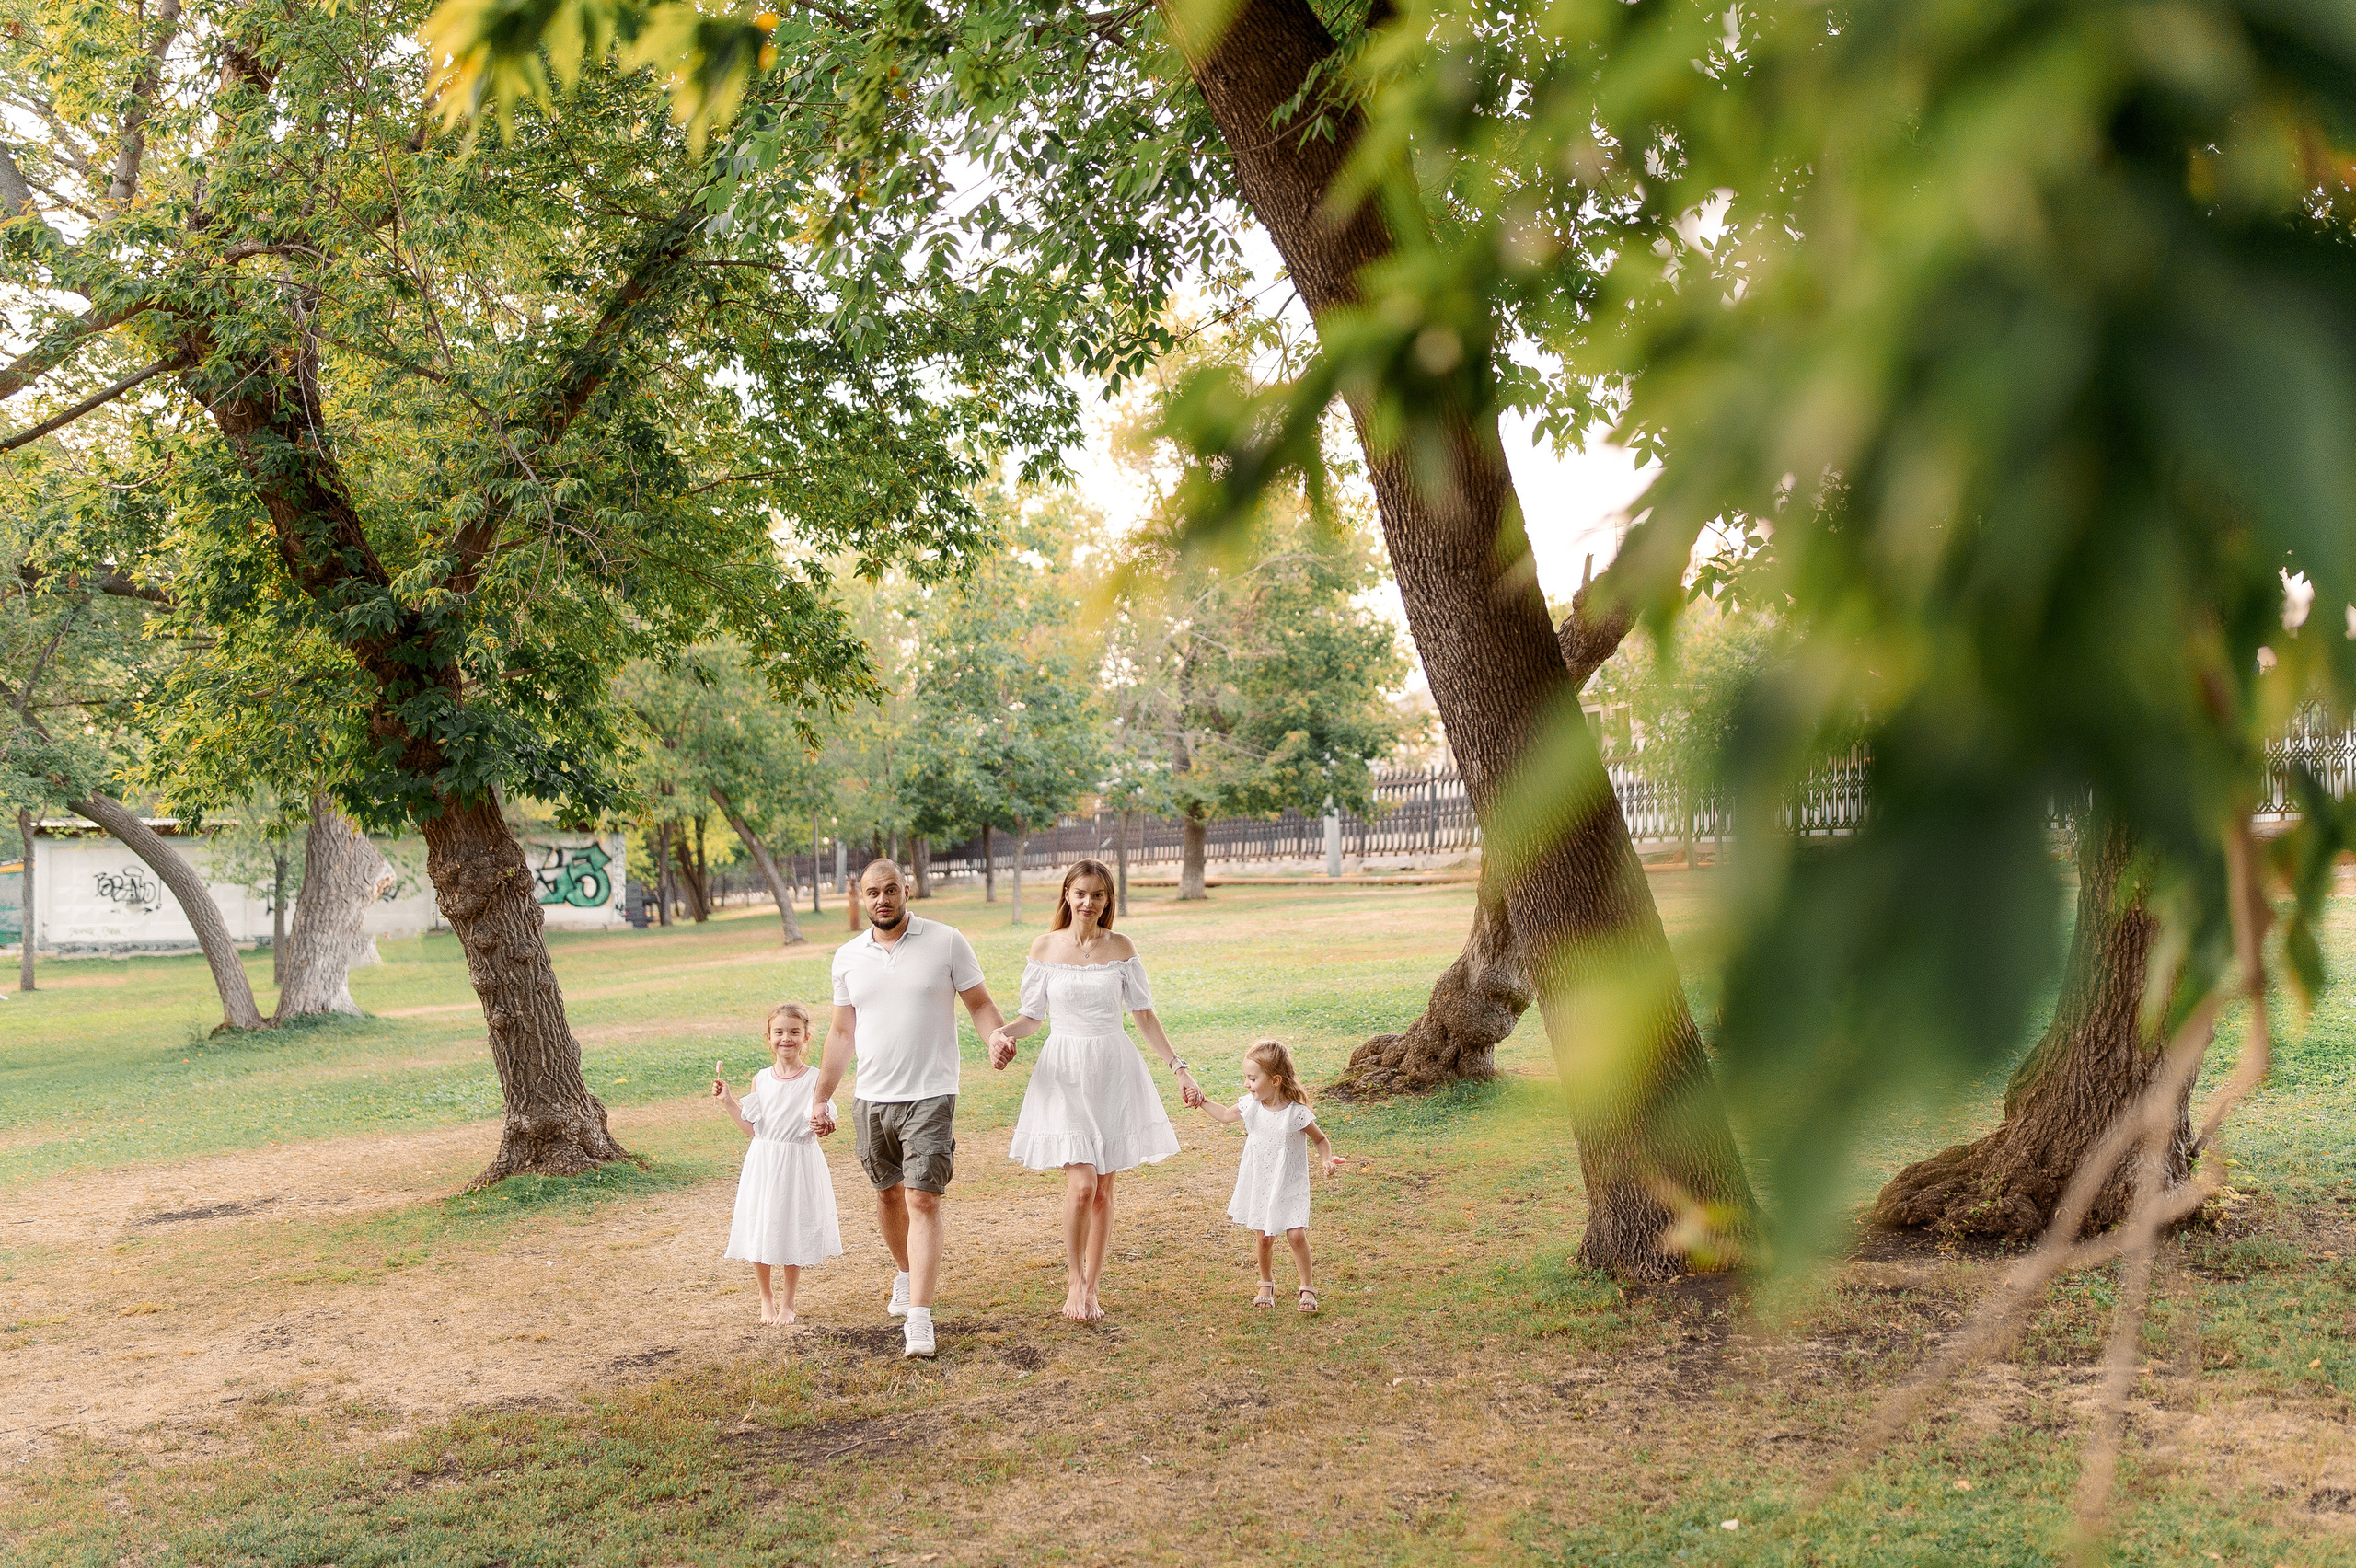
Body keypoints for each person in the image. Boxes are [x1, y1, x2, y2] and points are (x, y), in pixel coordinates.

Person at [989, 859, 1205, 1323]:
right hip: (1064, 1069)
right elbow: (1031, 1017)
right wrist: (1001, 1033)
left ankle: (1092, 1286)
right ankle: (1072, 1279)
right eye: (1080, 893)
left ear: (1109, 901)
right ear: (1066, 894)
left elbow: (1144, 1014)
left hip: (1113, 1068)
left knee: (1105, 1188)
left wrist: (1178, 1068)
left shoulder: (1121, 947)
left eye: (1098, 896)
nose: (1088, 902)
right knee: (1083, 1184)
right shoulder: (1044, 947)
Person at [811, 859, 1009, 1359]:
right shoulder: (848, 957)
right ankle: (905, 1273)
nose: (883, 899)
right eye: (873, 892)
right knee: (888, 1197)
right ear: (862, 895)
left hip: (931, 1093)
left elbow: (980, 1004)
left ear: (907, 889)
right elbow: (840, 1032)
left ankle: (919, 1319)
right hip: (871, 1098)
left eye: (891, 889)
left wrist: (995, 1039)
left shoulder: (946, 941)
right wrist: (821, 1095)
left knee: (923, 1198)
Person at [713, 1002, 842, 1324]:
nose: (787, 1038)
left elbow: (824, 1124)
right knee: (762, 1225)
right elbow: (754, 1130)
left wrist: (822, 1124)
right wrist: (729, 1102)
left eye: (794, 1032)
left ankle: (789, 1301)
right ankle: (765, 1297)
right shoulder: (761, 1079)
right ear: (768, 1037)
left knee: (791, 1226)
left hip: (798, 1162)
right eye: (779, 1032)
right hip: (764, 1162)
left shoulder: (816, 1080)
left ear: (806, 1037)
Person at [1195, 1039, 1344, 1314]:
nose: (1246, 1084)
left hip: (1290, 1182)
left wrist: (1326, 1160)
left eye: (1252, 1078)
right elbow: (1225, 1115)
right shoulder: (1251, 1107)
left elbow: (1321, 1140)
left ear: (1275, 1080)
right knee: (1264, 1236)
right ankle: (1266, 1282)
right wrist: (1201, 1100)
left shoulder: (1296, 1113)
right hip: (1261, 1181)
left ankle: (1307, 1286)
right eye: (1246, 1078)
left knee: (1296, 1234)